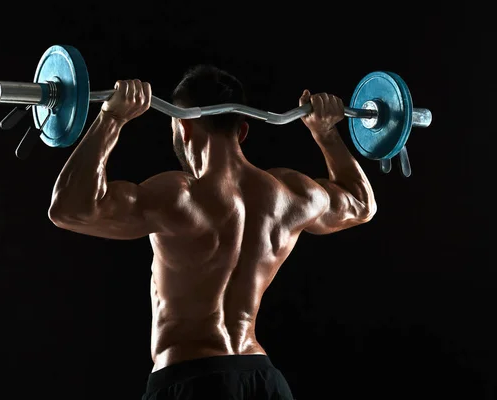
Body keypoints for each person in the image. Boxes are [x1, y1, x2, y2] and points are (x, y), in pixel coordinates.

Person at [47, 65, 377, 400]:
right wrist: (326, 134)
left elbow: (70, 209)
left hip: (192, 379)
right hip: (263, 381)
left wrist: (111, 119)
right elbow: (362, 204)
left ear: (183, 125)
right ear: (243, 131)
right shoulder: (291, 196)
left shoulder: (179, 197)